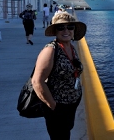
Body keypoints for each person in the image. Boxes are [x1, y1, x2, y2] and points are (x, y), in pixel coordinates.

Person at [32, 12, 87, 140]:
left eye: (70, 27)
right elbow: (37, 82)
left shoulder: (71, 48)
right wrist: (54, 107)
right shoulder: (50, 50)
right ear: (55, 31)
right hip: (58, 107)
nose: (66, 30)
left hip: (71, 104)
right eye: (61, 27)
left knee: (65, 133)